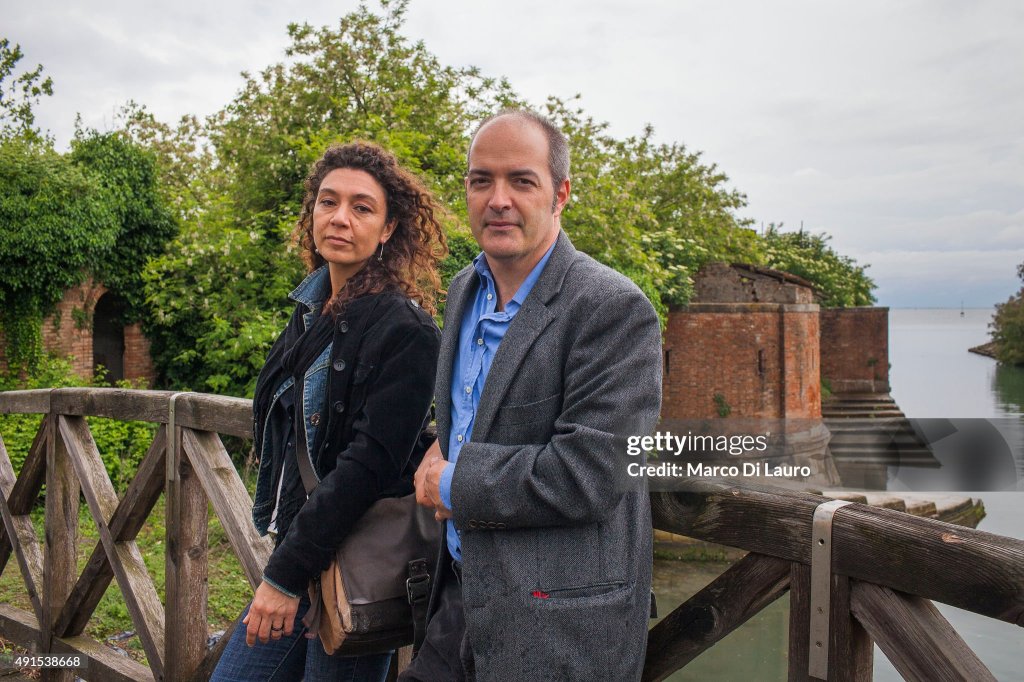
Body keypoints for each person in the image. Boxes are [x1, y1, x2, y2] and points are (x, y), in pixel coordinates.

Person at [406, 110, 663, 681]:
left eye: (521, 181)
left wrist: (449, 479)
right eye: (481, 181)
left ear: (560, 194)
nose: (498, 199)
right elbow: (476, 416)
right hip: (458, 598)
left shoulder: (612, 308)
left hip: (557, 623)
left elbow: (591, 472)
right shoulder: (462, 291)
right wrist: (440, 447)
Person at [212, 142, 445, 681]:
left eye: (362, 207)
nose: (340, 218)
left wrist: (284, 576)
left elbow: (368, 468)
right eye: (327, 202)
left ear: (387, 229)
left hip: (357, 570)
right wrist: (289, 564)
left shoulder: (406, 330)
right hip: (303, 555)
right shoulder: (309, 314)